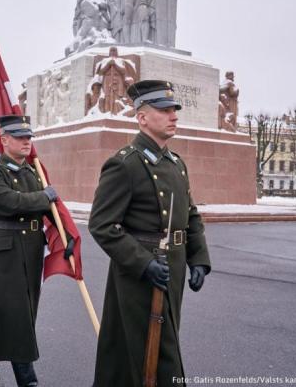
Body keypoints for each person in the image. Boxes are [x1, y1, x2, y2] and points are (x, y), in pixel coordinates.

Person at [89, 80, 211, 386]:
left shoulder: (176, 163)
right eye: (164, 110)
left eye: (174, 110)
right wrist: (142, 263)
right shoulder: (124, 164)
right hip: (140, 275)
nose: (174, 116)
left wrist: (198, 258)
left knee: (148, 353)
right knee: (155, 357)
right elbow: (103, 225)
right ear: (142, 117)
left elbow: (191, 215)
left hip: (174, 268)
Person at [0, 115, 72, 387]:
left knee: (25, 310)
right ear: (4, 139)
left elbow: (49, 210)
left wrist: (66, 235)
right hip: (5, 249)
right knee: (17, 311)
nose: (26, 141)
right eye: (19, 137)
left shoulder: (33, 172)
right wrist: (44, 196)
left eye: (28, 137)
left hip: (31, 248)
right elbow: (9, 202)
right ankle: (27, 378)